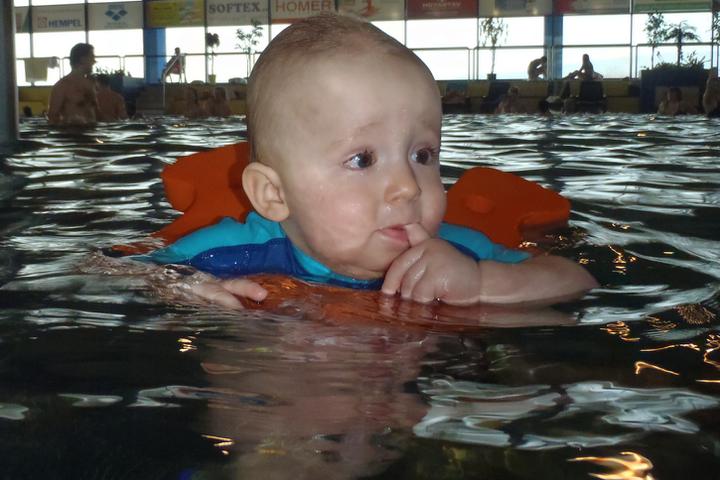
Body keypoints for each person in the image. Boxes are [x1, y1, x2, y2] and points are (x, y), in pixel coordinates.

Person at [140, 14, 597, 308]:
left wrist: (480, 284)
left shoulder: (455, 252)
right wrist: (183, 288)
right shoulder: (232, 251)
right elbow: (122, 272)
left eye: (422, 155)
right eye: (362, 159)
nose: (409, 186)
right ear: (274, 194)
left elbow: (575, 280)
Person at [47, 43, 97, 126]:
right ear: (83, 59)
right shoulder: (62, 86)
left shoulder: (90, 84)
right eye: (92, 57)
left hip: (92, 131)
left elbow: (96, 114)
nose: (94, 61)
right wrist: (68, 121)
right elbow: (52, 117)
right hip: (72, 132)